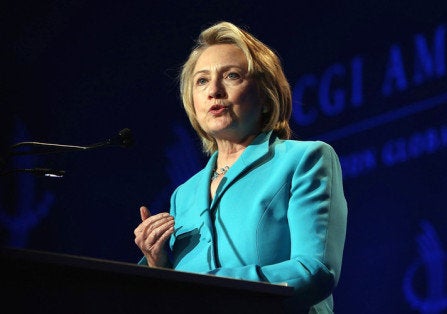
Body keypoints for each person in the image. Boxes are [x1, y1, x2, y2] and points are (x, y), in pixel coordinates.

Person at [133, 21, 348, 313]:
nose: (214, 91)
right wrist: (159, 263)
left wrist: (207, 286)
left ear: (265, 95)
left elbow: (315, 271)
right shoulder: (183, 195)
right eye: (202, 81)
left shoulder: (304, 160)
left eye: (232, 75)